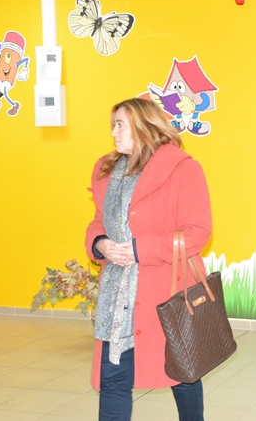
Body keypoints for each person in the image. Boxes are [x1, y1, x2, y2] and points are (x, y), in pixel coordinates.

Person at [85, 98, 212, 420]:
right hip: (117, 296)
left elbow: (198, 232)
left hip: (165, 290)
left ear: (143, 126)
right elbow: (99, 220)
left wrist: (141, 249)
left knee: (182, 374)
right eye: (113, 125)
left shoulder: (182, 168)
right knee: (113, 379)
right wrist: (100, 243)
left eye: (119, 125)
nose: (113, 133)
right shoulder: (107, 170)